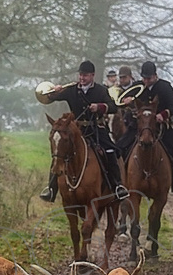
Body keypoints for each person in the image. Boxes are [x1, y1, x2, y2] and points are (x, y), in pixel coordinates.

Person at [39, 60, 128, 202]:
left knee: (110, 151)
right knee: (59, 152)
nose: (82, 78)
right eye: (80, 75)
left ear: (92, 75)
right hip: (76, 130)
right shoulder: (71, 89)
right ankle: (51, 188)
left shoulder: (100, 90)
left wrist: (99, 107)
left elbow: (113, 107)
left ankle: (117, 186)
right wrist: (54, 92)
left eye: (85, 75)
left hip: (96, 129)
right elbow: (51, 97)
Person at [127, 61, 173, 195]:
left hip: (160, 128)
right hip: (139, 128)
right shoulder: (137, 87)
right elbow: (123, 100)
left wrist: (163, 114)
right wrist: (128, 101)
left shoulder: (165, 87)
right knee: (121, 147)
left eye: (149, 78)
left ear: (155, 76)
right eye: (144, 78)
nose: (146, 81)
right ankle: (120, 181)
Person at [112, 65, 139, 158]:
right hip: (120, 117)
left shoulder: (137, 88)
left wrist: (132, 101)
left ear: (130, 77)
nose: (122, 80)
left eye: (124, 77)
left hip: (134, 118)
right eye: (120, 77)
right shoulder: (116, 89)